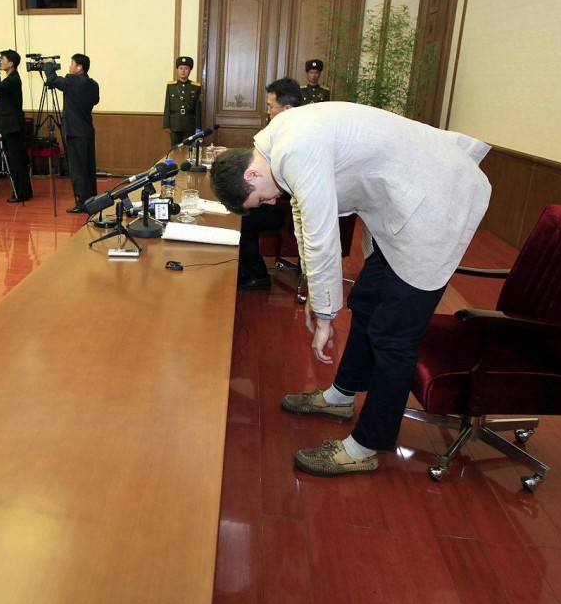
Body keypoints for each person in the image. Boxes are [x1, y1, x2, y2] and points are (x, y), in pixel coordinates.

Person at [209, 102, 492, 476]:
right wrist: (316, 294)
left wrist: (326, 316)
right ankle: (343, 395)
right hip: (404, 199)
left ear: (251, 172)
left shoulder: (295, 149)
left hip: (437, 200)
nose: (270, 202)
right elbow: (303, 218)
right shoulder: (273, 143)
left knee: (394, 335)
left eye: (260, 198)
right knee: (367, 299)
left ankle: (366, 445)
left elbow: (321, 232)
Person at [237, 78, 303, 291]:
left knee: (242, 223)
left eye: (270, 106)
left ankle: (258, 276)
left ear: (287, 108)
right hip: (275, 201)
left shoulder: (297, 139)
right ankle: (244, 270)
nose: (268, 112)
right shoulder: (282, 130)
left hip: (285, 208)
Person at [44, 53, 100, 213]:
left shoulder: (71, 80)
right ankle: (92, 199)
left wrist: (49, 65)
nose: (69, 67)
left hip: (75, 131)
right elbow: (95, 100)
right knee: (88, 167)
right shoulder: (93, 84)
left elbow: (53, 80)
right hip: (87, 130)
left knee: (77, 169)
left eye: (72, 64)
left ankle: (81, 202)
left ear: (79, 67)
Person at [0, 50, 31, 203]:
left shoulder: (13, 79)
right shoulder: (10, 79)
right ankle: (24, 192)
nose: (0, 62)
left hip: (13, 127)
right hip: (11, 126)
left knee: (17, 161)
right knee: (18, 160)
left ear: (10, 63)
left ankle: (20, 193)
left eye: (2, 59)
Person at [163, 56, 201, 145]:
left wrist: (198, 127)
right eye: (181, 68)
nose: (183, 71)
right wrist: (166, 124)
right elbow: (167, 105)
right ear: (177, 70)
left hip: (189, 124)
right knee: (175, 149)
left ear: (190, 71)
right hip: (175, 124)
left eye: (186, 68)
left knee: (188, 150)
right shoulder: (171, 86)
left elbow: (198, 109)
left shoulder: (196, 87)